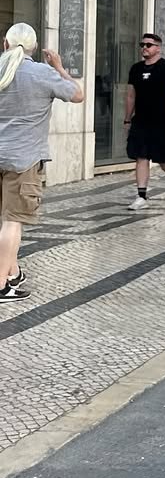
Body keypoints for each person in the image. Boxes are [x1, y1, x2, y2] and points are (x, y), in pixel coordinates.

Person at [0, 24, 84, 300]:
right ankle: (2, 284)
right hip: (23, 159)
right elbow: (77, 94)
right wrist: (59, 67)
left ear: (5, 44)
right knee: (13, 221)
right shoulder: (41, 73)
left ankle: (12, 272)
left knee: (5, 220)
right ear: (34, 48)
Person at [125, 33, 165, 210]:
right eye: (142, 44)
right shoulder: (136, 69)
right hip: (141, 121)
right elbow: (130, 95)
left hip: (162, 121)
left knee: (164, 159)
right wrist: (127, 119)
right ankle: (141, 196)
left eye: (149, 45)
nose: (144, 48)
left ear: (158, 47)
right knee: (141, 156)